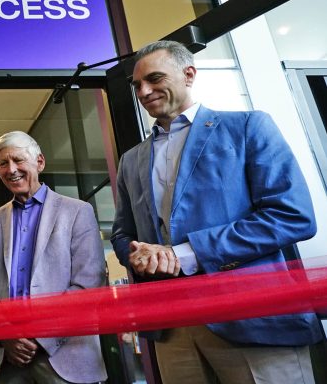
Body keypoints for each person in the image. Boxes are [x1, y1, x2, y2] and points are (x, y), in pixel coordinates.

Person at [111, 40, 322, 383]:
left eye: (154, 78)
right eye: (137, 85)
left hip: (252, 320)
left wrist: (187, 252)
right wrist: (137, 254)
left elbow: (291, 215)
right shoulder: (130, 160)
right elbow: (122, 233)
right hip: (172, 329)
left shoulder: (248, 127)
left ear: (189, 74)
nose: (144, 91)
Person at [0, 131, 107, 384]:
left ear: (40, 162)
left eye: (18, 160)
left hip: (66, 357)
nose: (11, 169)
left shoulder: (78, 211)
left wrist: (40, 337)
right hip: (9, 361)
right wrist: (6, 336)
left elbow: (88, 285)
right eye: (3, 163)